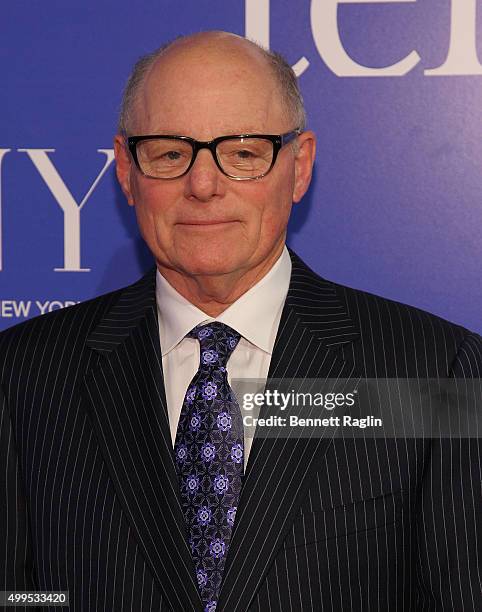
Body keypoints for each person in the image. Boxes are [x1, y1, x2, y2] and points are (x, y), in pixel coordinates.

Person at [1, 31, 480, 612]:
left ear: (298, 167)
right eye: (170, 153)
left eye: (244, 153)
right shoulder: (23, 374)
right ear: (126, 171)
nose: (203, 185)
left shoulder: (430, 369)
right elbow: (18, 594)